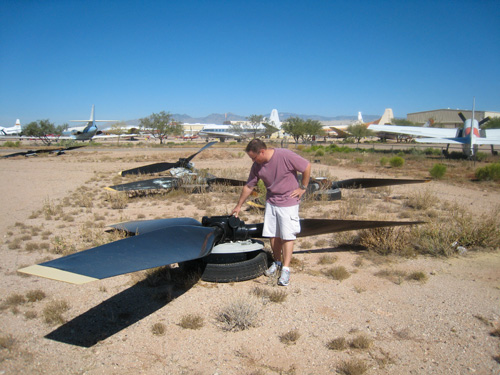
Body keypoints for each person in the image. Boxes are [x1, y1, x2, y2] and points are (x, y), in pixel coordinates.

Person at [232, 139, 311, 286]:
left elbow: (306, 166)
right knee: (273, 234)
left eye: (254, 157)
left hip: (288, 202)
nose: (253, 161)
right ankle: (277, 263)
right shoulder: (257, 165)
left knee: (287, 235)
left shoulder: (285, 155)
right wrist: (238, 206)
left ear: (262, 151)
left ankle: (286, 270)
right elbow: (249, 186)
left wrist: (303, 188)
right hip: (271, 202)